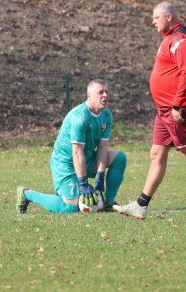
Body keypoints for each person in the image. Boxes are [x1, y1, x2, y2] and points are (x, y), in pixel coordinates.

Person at [114, 2, 186, 221]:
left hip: (177, 109)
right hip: (164, 110)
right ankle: (140, 205)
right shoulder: (169, 39)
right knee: (157, 154)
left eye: (156, 17)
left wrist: (177, 104)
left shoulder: (181, 40)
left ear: (169, 16)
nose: (153, 21)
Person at [16, 79, 126, 214]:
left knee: (120, 158)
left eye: (107, 92)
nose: (105, 95)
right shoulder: (80, 117)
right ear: (89, 95)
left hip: (87, 158)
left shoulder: (106, 115)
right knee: (71, 208)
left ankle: (107, 202)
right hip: (65, 164)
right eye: (100, 92)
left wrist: (100, 176)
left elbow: (103, 148)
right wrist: (84, 184)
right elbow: (77, 153)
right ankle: (27, 194)